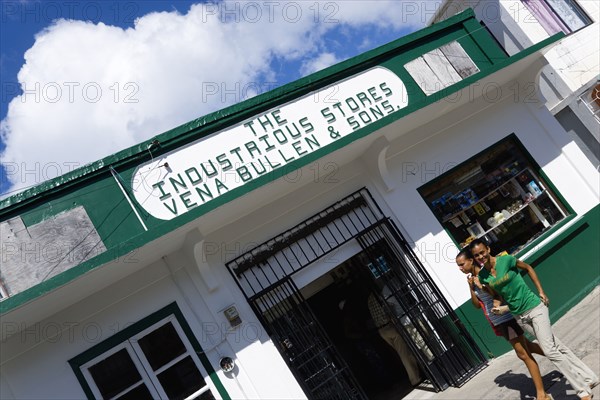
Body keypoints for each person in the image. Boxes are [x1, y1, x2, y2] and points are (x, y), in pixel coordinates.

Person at [469, 238, 599, 400]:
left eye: (482, 252)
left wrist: (541, 291)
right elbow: (496, 295)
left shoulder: (506, 260)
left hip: (535, 307)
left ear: (488, 249)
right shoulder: (483, 276)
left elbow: (528, 267)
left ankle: (582, 390)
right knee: (558, 346)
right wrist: (496, 306)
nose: (481, 256)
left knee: (550, 351)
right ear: (474, 258)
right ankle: (589, 377)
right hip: (519, 315)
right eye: (476, 255)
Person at [456, 247, 550, 400]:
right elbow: (476, 305)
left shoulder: (485, 275)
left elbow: (498, 295)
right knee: (529, 347)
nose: (460, 268)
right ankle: (559, 356)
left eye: (462, 264)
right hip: (497, 320)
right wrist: (471, 287)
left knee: (523, 354)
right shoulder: (473, 279)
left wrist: (482, 286)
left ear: (471, 261)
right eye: (458, 266)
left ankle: (542, 394)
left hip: (506, 317)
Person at [367, 290, 422, 386]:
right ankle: (415, 379)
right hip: (390, 326)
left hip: (381, 331)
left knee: (401, 353)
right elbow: (389, 310)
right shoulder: (380, 294)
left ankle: (415, 374)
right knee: (405, 353)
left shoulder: (369, 299)